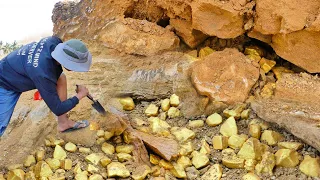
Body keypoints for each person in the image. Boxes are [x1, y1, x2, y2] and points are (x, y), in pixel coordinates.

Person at [0, 36, 92, 136]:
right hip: (4, 84)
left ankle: (63, 124)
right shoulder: (42, 73)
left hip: (14, 69)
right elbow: (58, 109)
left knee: (61, 77)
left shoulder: (54, 42)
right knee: (1, 124)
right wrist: (80, 95)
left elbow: (54, 72)